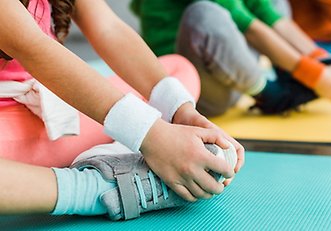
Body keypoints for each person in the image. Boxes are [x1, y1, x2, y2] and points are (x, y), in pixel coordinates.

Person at [0, 0, 244, 219]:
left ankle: (122, 153)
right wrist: (152, 135)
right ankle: (100, 186)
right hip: (9, 136)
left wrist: (181, 113)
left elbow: (108, 28)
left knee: (178, 71)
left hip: (52, 119)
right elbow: (33, 47)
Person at [131, 0, 331, 116]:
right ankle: (272, 95)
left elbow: (270, 16)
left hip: (229, 71)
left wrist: (324, 62)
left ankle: (289, 77)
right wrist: (316, 76)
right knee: (203, 13)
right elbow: (249, 27)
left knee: (275, 2)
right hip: (190, 90)